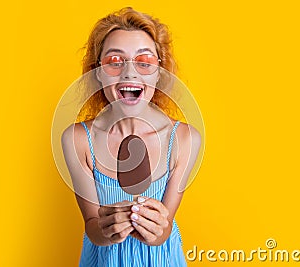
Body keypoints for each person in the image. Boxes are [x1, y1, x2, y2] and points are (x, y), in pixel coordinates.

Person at [61, 7, 201, 266]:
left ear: (159, 72)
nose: (129, 73)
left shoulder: (184, 139)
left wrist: (157, 230)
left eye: (144, 62)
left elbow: (165, 231)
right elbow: (91, 227)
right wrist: (106, 229)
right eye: (114, 62)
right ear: (98, 72)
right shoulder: (77, 139)